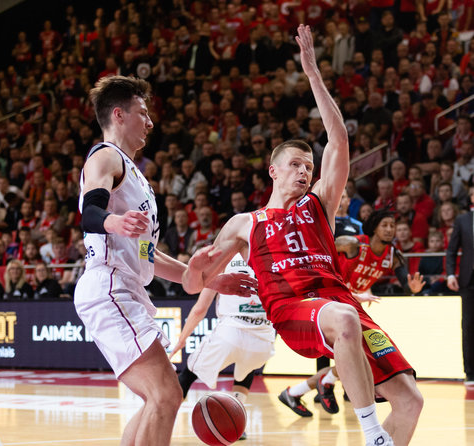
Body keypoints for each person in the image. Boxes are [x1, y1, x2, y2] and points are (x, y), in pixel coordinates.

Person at [193, 25, 423, 446]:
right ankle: (372, 434)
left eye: (309, 166)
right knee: (345, 319)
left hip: (341, 303)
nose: (305, 170)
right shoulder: (247, 222)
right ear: (273, 169)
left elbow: (338, 139)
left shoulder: (319, 203)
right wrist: (207, 276)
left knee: (411, 400)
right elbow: (194, 280)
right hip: (292, 307)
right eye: (296, 164)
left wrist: (314, 74)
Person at [73, 75, 251, 446]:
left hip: (126, 287)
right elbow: (89, 212)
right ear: (119, 115)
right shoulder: (105, 156)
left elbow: (147, 253)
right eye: (143, 112)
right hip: (109, 285)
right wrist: (113, 221)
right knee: (167, 395)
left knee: (157, 399)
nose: (151, 122)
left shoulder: (135, 174)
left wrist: (205, 278)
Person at [280, 209, 425, 417]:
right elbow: (318, 249)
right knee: (359, 356)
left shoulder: (392, 255)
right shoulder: (352, 243)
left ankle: (296, 392)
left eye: (392, 226)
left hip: (350, 305)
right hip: (328, 301)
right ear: (374, 227)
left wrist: (413, 289)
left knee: (358, 356)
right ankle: (325, 382)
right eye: (384, 225)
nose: (389, 230)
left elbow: (406, 284)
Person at [170, 254, 271, 440]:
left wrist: (182, 339)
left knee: (188, 373)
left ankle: (165, 414)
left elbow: (200, 309)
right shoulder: (271, 257)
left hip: (230, 333)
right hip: (264, 339)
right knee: (246, 367)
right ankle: (237, 418)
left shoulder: (224, 260)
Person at [446, 185, 474, 385]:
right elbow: (451, 250)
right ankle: (470, 372)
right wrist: (449, 274)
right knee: (468, 327)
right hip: (468, 280)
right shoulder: (462, 220)